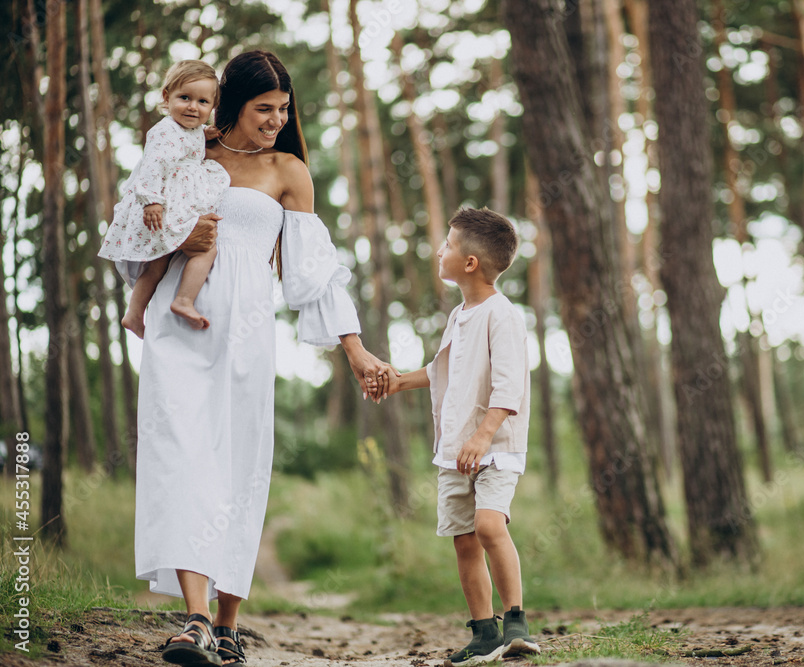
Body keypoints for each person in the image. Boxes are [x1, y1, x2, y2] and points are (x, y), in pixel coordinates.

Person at [120, 51, 394, 667]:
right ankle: (192, 621)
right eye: (263, 108)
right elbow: (137, 225)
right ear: (233, 103)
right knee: (181, 457)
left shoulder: (288, 170)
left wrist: (355, 351)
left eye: (283, 109)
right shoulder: (190, 149)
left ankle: (228, 623)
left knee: (241, 466)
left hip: (245, 333)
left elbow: (314, 273)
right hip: (178, 323)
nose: (275, 119)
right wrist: (176, 237)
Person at [385, 207, 541, 665]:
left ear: (470, 263)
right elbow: (441, 372)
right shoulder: (459, 315)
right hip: (453, 450)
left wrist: (483, 434)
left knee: (490, 525)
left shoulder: (502, 314)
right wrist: (395, 380)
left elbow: (509, 385)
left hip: (495, 447)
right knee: (464, 539)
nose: (440, 250)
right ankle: (484, 631)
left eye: (448, 244)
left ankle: (516, 621)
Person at [99, 60, 230, 337]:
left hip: (172, 203)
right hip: (165, 205)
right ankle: (183, 299)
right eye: (185, 98)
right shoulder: (163, 131)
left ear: (212, 107)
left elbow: (188, 139)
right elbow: (152, 165)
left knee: (158, 261)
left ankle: (134, 313)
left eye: (203, 102)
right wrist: (152, 201)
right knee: (206, 248)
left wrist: (204, 134)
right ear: (167, 97)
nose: (193, 107)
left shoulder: (188, 130)